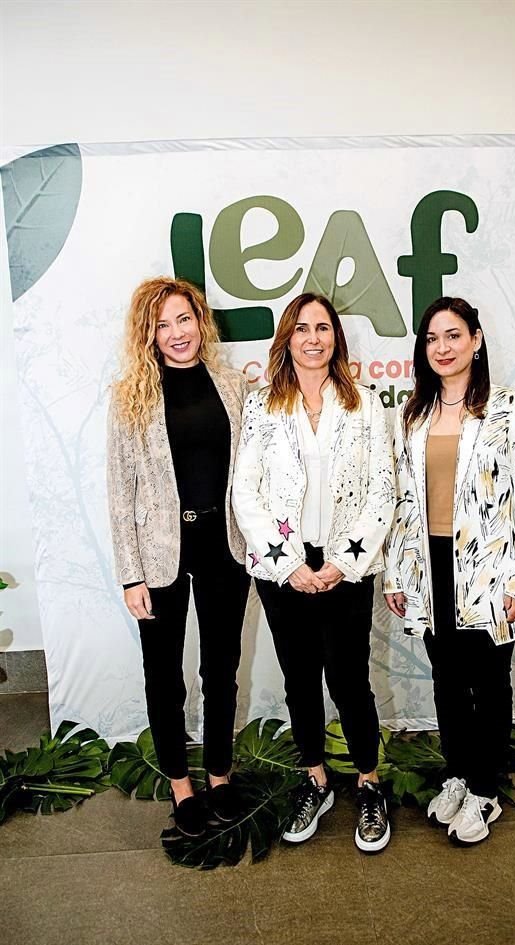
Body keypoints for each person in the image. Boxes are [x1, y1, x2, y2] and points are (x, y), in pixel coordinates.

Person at [232, 292, 395, 853]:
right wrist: (289, 566)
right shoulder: (262, 406)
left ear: (336, 339)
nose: (312, 338)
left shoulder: (367, 405)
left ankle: (369, 783)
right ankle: (315, 779)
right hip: (285, 570)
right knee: (299, 677)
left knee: (349, 679)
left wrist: (345, 565)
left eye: (322, 328)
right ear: (287, 338)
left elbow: (382, 490)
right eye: (301, 328)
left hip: (347, 566)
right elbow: (245, 493)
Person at [384, 297, 515, 846]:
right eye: (432, 339)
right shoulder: (415, 414)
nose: (443, 348)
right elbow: (406, 501)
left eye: (453, 336)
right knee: (447, 680)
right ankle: (456, 774)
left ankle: (485, 789)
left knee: (489, 681)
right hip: (430, 566)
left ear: (476, 340)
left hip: (489, 569)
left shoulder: (508, 407)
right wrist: (397, 575)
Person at [107, 276, 250, 838]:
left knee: (221, 671)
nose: (176, 333)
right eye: (161, 325)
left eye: (183, 319)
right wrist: (129, 575)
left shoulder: (234, 386)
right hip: (159, 554)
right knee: (163, 677)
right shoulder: (130, 397)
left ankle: (218, 775)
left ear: (200, 320)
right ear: (148, 335)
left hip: (226, 548)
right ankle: (181, 787)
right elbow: (121, 493)